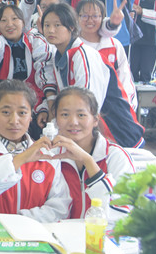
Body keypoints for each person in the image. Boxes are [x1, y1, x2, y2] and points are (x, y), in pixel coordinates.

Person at [0, 79, 70, 221]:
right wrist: (21, 158)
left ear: (30, 116)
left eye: (22, 113)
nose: (14, 120)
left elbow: (60, 207)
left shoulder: (47, 157)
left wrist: (18, 221)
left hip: (34, 232)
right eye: (6, 112)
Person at [41, 3, 142, 148]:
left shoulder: (84, 55)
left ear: (71, 27)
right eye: (47, 25)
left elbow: (88, 103)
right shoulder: (60, 56)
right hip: (94, 135)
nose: (51, 30)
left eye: (57, 25)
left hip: (118, 133)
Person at [51, 87, 134, 220]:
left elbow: (121, 214)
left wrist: (88, 161)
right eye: (65, 115)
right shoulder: (51, 156)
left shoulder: (116, 157)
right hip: (58, 232)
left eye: (81, 115)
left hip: (102, 232)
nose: (73, 122)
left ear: (95, 119)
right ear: (56, 120)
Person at [0, 4, 55, 139]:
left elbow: (46, 73)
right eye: (3, 20)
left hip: (36, 104)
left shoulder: (35, 40)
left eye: (14, 19)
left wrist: (46, 107)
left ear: (23, 22)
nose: (9, 24)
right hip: (6, 103)